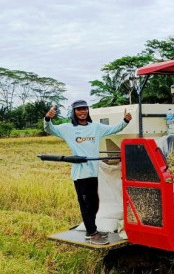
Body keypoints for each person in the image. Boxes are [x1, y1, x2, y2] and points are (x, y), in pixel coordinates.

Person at [44, 100, 132, 245]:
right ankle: (92, 233)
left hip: (93, 172)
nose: (82, 112)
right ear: (74, 112)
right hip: (80, 174)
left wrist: (125, 121)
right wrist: (48, 118)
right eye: (79, 109)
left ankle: (90, 230)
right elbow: (50, 129)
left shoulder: (96, 127)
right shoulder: (68, 128)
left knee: (95, 204)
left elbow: (113, 129)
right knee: (86, 204)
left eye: (84, 109)